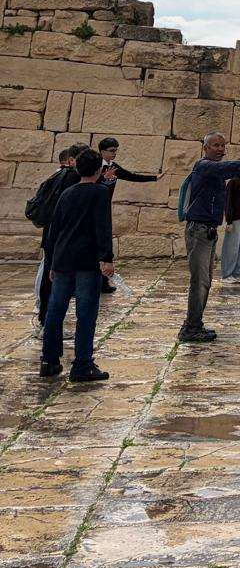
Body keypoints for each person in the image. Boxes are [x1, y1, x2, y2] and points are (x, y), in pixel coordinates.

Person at [179, 135, 240, 343]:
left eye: (223, 145)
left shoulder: (217, 170)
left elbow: (231, 169)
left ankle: (195, 325)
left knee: (205, 282)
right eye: (215, 145)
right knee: (199, 281)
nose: (220, 149)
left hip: (208, 231)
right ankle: (190, 328)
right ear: (205, 147)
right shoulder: (204, 166)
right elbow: (226, 167)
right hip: (198, 231)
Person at [39, 147, 114, 383]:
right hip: (86, 260)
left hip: (63, 258)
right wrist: (107, 258)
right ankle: (82, 364)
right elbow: (103, 226)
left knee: (55, 309)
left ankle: (49, 360)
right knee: (85, 312)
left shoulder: (67, 193)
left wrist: (52, 262)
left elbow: (54, 229)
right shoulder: (100, 192)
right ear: (98, 170)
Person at [96, 136, 160, 293]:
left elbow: (131, 176)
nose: (114, 153)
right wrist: (103, 178)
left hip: (104, 208)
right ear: (102, 151)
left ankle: (103, 282)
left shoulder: (113, 167)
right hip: (92, 208)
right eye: (111, 150)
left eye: (116, 150)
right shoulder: (95, 166)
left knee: (104, 242)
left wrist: (154, 178)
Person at [31, 145, 82, 327]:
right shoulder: (71, 178)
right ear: (72, 160)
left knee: (49, 275)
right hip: (60, 237)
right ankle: (47, 323)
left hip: (52, 235)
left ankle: (45, 320)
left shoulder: (58, 175)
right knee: (54, 279)